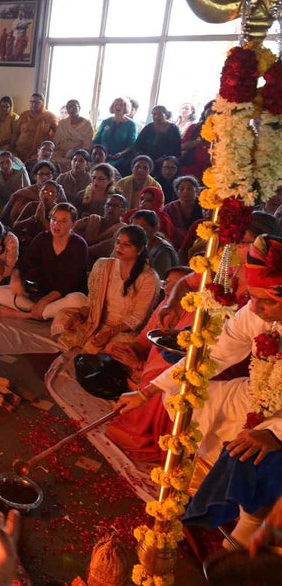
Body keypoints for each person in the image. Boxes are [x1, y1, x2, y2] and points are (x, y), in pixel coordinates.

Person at [114, 235, 282, 547]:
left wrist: (274, 432)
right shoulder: (255, 312)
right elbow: (212, 354)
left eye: (267, 301)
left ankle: (246, 530)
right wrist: (147, 391)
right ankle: (206, 483)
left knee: (255, 453)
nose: (255, 308)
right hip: (256, 391)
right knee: (181, 399)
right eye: (254, 298)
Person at [52, 224, 158, 354]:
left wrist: (110, 333)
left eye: (126, 245)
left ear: (140, 250)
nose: (119, 247)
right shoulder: (104, 265)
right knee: (63, 317)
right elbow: (92, 301)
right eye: (118, 242)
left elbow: (137, 318)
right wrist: (81, 315)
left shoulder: (148, 277)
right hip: (96, 320)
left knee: (122, 344)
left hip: (122, 330)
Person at [0, 202, 89, 321]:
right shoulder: (43, 238)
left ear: (73, 224)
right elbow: (23, 263)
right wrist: (15, 276)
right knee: (0, 292)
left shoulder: (79, 245)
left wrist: (45, 301)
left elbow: (69, 283)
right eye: (54, 219)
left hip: (65, 295)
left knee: (79, 300)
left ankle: (25, 314)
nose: (56, 224)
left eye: (63, 221)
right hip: (42, 292)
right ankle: (40, 311)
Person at [0, 160, 60, 226]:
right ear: (35, 177)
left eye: (48, 174)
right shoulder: (24, 194)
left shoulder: (58, 192)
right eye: (41, 174)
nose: (45, 177)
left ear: (52, 176)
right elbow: (14, 218)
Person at [75, 193, 129, 262]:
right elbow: (72, 229)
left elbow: (108, 246)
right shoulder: (93, 219)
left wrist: (83, 250)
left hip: (103, 264)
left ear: (124, 211)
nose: (110, 208)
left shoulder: (122, 228)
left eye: (115, 206)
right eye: (108, 205)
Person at [129, 209, 179, 279]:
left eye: (142, 228)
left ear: (155, 228)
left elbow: (161, 278)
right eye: (133, 228)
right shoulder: (137, 245)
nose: (136, 233)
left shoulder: (163, 251)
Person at [94, 97, 138, 174]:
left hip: (120, 157)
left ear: (126, 108)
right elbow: (96, 140)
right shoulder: (105, 122)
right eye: (116, 104)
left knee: (107, 168)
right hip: (102, 155)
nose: (118, 107)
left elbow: (132, 145)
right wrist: (100, 152)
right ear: (112, 107)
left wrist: (121, 153)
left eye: (121, 105)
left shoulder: (131, 125)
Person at [12, 179, 60, 246]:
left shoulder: (58, 210)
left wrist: (42, 219)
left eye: (51, 193)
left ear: (56, 197)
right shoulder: (32, 205)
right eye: (44, 191)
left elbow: (57, 234)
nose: (46, 195)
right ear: (39, 192)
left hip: (49, 244)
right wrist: (33, 218)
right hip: (30, 242)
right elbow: (15, 226)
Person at [14, 93, 58, 162]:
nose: (34, 105)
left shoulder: (49, 116)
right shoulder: (24, 115)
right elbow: (16, 133)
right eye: (32, 102)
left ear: (42, 103)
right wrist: (11, 147)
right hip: (19, 150)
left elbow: (57, 134)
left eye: (37, 102)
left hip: (38, 153)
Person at [164, 175, 203, 249]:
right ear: (177, 192)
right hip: (174, 246)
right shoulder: (169, 208)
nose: (186, 191)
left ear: (196, 191)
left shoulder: (204, 206)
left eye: (189, 188)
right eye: (182, 189)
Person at [51, 100, 93, 170]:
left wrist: (74, 151)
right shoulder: (63, 123)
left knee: (75, 160)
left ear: (79, 108)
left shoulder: (87, 124)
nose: (71, 109)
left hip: (78, 152)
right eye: (69, 107)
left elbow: (87, 144)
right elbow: (56, 141)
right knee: (49, 157)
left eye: (74, 107)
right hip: (62, 151)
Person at [180, 100, 214, 178]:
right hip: (191, 168)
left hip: (211, 171)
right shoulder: (195, 127)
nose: (212, 114)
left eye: (216, 112)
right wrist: (198, 141)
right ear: (205, 112)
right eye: (210, 111)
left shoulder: (223, 130)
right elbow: (182, 146)